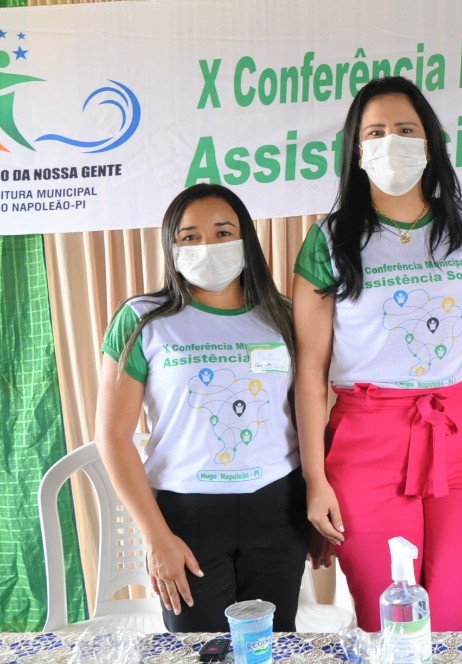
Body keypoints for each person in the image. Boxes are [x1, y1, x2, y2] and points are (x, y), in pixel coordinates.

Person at [292, 76, 462, 632]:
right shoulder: (328, 242)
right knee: (390, 615)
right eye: (376, 132)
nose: (391, 142)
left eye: (406, 129)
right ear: (356, 149)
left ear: (430, 142)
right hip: (364, 447)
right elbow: (310, 374)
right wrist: (315, 479)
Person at [95, 183, 311, 632]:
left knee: (268, 648)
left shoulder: (285, 317)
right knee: (199, 651)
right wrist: (157, 539)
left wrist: (318, 502)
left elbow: (312, 416)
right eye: (189, 237)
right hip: (184, 517)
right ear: (171, 246)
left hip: (277, 508)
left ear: (245, 240)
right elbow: (113, 436)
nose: (207, 246)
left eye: (222, 232)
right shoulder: (142, 319)